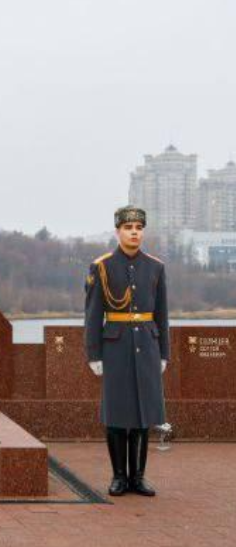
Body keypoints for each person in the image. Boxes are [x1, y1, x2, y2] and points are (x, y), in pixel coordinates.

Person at [84, 205, 169, 497]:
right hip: (116, 347)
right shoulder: (102, 266)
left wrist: (164, 353)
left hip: (147, 344)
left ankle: (139, 477)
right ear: (118, 231)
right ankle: (119, 476)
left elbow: (162, 314)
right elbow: (94, 314)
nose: (135, 233)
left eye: (139, 228)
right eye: (129, 228)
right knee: (118, 414)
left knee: (144, 415)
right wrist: (93, 354)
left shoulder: (155, 266)